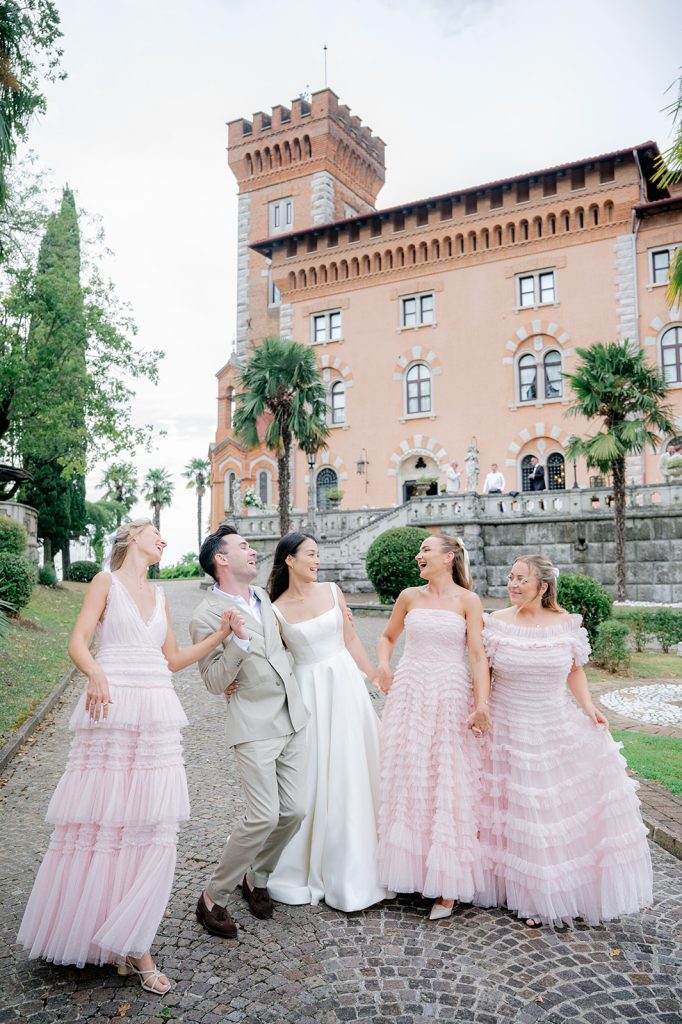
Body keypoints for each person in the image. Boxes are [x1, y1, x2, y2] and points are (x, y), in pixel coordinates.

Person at [17, 519, 234, 994]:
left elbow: (173, 659)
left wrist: (219, 636)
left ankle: (130, 937)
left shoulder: (160, 597)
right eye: (156, 532)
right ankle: (123, 945)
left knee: (152, 826)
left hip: (154, 712)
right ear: (132, 535)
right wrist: (94, 673)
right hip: (111, 710)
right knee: (103, 824)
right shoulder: (105, 582)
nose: (163, 538)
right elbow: (76, 641)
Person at [478, 554, 653, 928]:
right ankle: (507, 885)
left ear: (543, 586)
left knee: (546, 810)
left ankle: (547, 895)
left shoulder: (567, 624)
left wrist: (589, 708)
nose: (513, 584)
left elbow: (575, 672)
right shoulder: (493, 624)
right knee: (509, 810)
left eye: (521, 579)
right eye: (510, 577)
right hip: (506, 727)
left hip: (552, 723)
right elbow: (483, 675)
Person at [190, 525, 309, 940]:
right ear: (221, 559)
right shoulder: (204, 615)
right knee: (262, 815)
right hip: (253, 724)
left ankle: (256, 877)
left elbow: (287, 642)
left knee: (295, 810)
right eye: (243, 547)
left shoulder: (261, 597)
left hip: (291, 715)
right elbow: (212, 681)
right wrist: (236, 644)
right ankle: (211, 897)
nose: (253, 552)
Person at [264, 533, 391, 912]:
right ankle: (305, 861)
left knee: (354, 766)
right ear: (289, 559)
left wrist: (373, 675)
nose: (317, 560)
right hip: (309, 693)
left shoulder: (334, 591)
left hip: (345, 686)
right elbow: (272, 659)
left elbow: (350, 639)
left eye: (318, 554)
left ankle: (366, 861)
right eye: (310, 554)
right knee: (315, 774)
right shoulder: (275, 609)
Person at [375, 534, 491, 920]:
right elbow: (388, 637)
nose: (418, 554)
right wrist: (384, 665)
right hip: (410, 690)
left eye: (426, 549)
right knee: (408, 774)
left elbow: (477, 655)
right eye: (420, 549)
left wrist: (482, 704)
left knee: (447, 780)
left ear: (449, 556)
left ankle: (446, 886)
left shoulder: (468, 601)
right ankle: (404, 867)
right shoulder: (409, 596)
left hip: (450, 693)